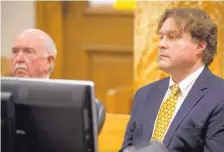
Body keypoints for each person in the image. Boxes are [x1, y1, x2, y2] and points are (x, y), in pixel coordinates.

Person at [121, 8, 224, 152]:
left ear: (200, 46)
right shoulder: (144, 95)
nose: (161, 44)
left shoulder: (219, 98)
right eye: (161, 37)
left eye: (172, 37)